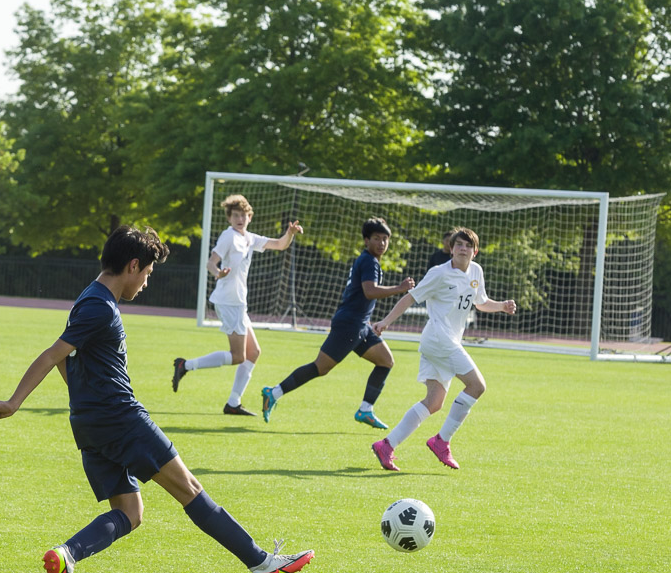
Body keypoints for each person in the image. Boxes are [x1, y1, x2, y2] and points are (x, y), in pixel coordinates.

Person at [0, 225, 313, 573]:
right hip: (121, 418)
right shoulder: (100, 306)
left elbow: (69, 360)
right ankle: (260, 563)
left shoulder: (88, 298)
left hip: (90, 424)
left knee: (130, 510)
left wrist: (85, 402)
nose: (145, 283)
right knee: (190, 489)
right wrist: (13, 403)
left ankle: (66, 555)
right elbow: (53, 354)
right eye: (147, 274)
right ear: (133, 265)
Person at [369, 227, 516, 471]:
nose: (462, 248)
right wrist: (385, 322)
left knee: (434, 402)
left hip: (446, 342)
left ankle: (387, 445)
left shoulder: (476, 271)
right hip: (439, 339)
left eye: (468, 245)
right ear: (451, 248)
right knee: (477, 385)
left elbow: (480, 302)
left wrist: (501, 306)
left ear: (475, 251)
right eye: (458, 244)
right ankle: (442, 441)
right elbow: (410, 297)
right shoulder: (439, 273)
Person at [259, 217, 414, 429]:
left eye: (385, 239)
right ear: (366, 240)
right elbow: (370, 291)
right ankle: (274, 392)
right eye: (377, 238)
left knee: (386, 361)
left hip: (361, 325)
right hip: (350, 325)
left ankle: (366, 410)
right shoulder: (368, 260)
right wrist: (400, 287)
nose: (382, 243)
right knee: (320, 368)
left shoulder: (370, 260)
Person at [171, 194, 302, 415]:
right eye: (235, 215)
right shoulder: (228, 236)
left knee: (254, 353)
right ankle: (185, 365)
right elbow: (211, 262)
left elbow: (279, 245)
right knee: (239, 356)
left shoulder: (249, 238)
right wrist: (218, 273)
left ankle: (233, 403)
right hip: (229, 302)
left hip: (239, 303)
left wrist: (289, 233)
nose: (240, 219)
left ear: (249, 217)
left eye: (243, 215)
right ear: (230, 218)